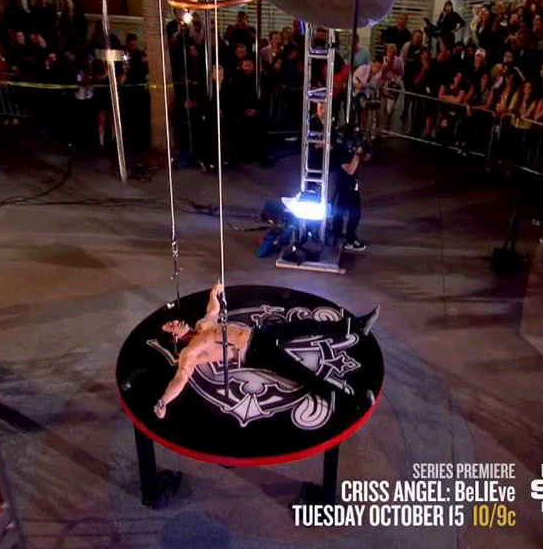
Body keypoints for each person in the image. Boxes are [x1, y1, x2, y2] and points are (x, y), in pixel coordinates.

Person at [154, 281, 379, 418]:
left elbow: (213, 311)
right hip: (253, 352)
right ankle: (351, 403)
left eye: (171, 321)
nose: (175, 322)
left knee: (307, 326)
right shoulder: (189, 352)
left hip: (258, 334)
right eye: (171, 326)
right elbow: (180, 379)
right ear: (174, 339)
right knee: (302, 373)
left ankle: (356, 326)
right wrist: (164, 401)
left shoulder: (201, 325)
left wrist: (214, 294)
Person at [330, 132, 368, 251]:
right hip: (346, 187)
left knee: (340, 212)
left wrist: (362, 151)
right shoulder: (341, 153)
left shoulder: (347, 152)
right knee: (354, 214)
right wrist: (357, 154)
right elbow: (350, 170)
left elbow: (366, 158)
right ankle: (350, 240)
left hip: (350, 186)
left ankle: (337, 234)